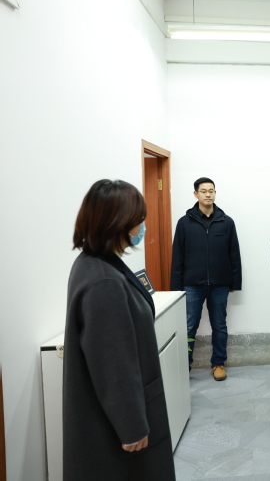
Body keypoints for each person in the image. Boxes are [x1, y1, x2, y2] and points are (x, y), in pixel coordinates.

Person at [64, 179, 175, 480]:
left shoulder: (95, 263)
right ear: (119, 223)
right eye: (139, 220)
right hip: (116, 427)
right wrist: (132, 425)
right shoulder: (105, 283)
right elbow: (113, 363)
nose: (142, 227)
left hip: (113, 414)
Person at [171, 177, 242, 381]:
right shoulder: (184, 223)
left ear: (215, 193)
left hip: (220, 284)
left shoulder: (226, 222)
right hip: (192, 284)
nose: (208, 194)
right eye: (204, 191)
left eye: (211, 191)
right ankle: (185, 365)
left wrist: (234, 282)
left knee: (219, 325)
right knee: (189, 326)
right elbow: (177, 256)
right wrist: (176, 288)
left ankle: (218, 363)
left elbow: (234, 253)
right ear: (196, 194)